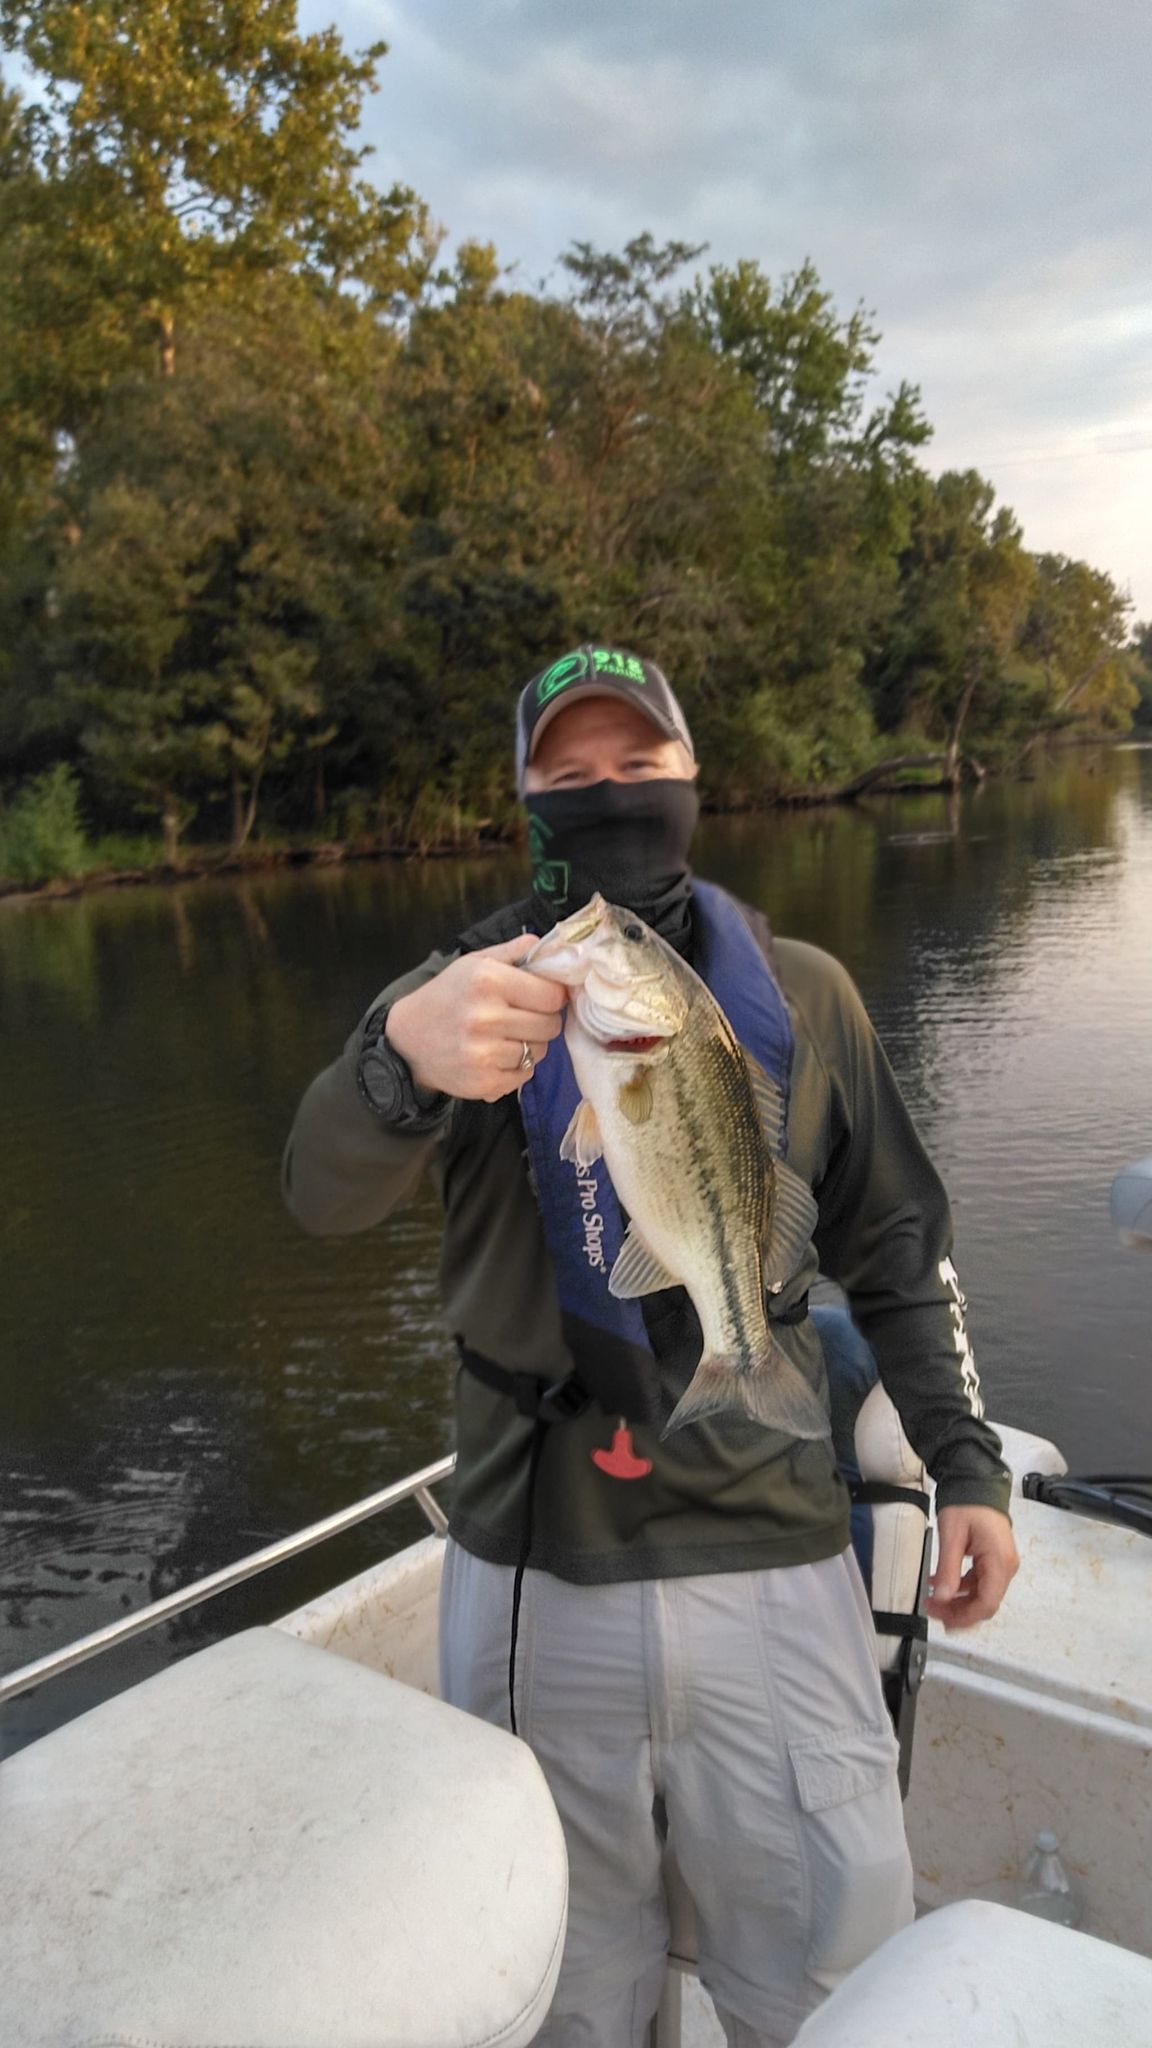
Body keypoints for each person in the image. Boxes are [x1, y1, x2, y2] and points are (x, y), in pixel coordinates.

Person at [283, 645, 1019, 2048]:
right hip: (534, 1554)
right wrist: (396, 1056)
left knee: (829, 1972)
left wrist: (965, 1464)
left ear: (693, 780)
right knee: (566, 1987)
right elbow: (319, 1196)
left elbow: (900, 1250)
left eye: (636, 765)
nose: (606, 792)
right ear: (522, 801)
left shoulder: (803, 992)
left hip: (774, 1536)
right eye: (569, 773)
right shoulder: (467, 999)